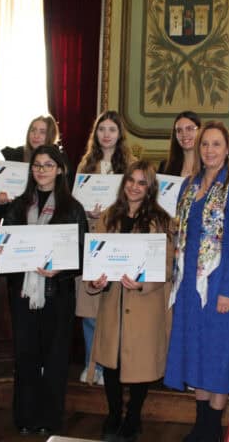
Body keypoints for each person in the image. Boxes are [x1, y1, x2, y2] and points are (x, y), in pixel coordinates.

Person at [164, 121, 229, 442]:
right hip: (190, 287)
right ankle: (200, 424)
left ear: (228, 149)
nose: (210, 150)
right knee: (196, 353)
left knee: (218, 356)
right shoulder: (189, 185)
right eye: (205, 144)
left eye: (216, 144)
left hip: (219, 288)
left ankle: (212, 430)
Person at [0, 145, 88, 436]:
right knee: (26, 358)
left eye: (48, 165)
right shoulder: (18, 205)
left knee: (55, 359)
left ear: (60, 169)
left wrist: (61, 268)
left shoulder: (72, 207)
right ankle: (25, 417)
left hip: (56, 294)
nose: (42, 170)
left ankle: (50, 419)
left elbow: (82, 254)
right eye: (37, 165)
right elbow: (5, 247)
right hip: (23, 296)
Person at [88, 161, 173, 442]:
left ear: (150, 188)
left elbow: (167, 264)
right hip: (113, 300)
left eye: (141, 183)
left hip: (144, 303)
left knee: (140, 366)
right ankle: (114, 414)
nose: (134, 187)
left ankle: (133, 417)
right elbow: (94, 259)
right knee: (112, 364)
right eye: (130, 180)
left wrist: (143, 284)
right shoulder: (109, 216)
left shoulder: (161, 220)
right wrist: (95, 280)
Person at [76, 110, 133, 385]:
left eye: (112, 129)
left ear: (120, 133)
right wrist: (88, 214)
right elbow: (75, 208)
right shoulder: (85, 167)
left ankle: (113, 367)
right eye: (102, 129)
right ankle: (92, 365)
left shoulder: (130, 168)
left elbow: (136, 204)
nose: (106, 134)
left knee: (116, 311)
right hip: (91, 246)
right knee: (90, 312)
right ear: (95, 134)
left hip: (119, 246)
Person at [159, 111, 202, 176]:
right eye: (179, 130)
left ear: (200, 130)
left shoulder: (209, 165)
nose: (184, 134)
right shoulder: (164, 167)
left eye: (189, 129)